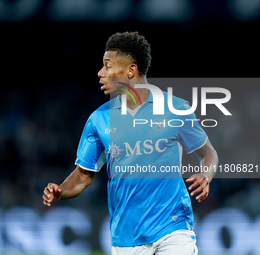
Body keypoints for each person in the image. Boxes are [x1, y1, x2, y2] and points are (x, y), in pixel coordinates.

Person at [42, 31, 218, 255]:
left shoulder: (175, 108)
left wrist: (206, 174)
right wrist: (61, 190)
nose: (100, 73)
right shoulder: (99, 119)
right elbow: (83, 175)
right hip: (127, 238)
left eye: (107, 66)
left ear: (131, 70)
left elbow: (208, 153)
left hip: (174, 227)